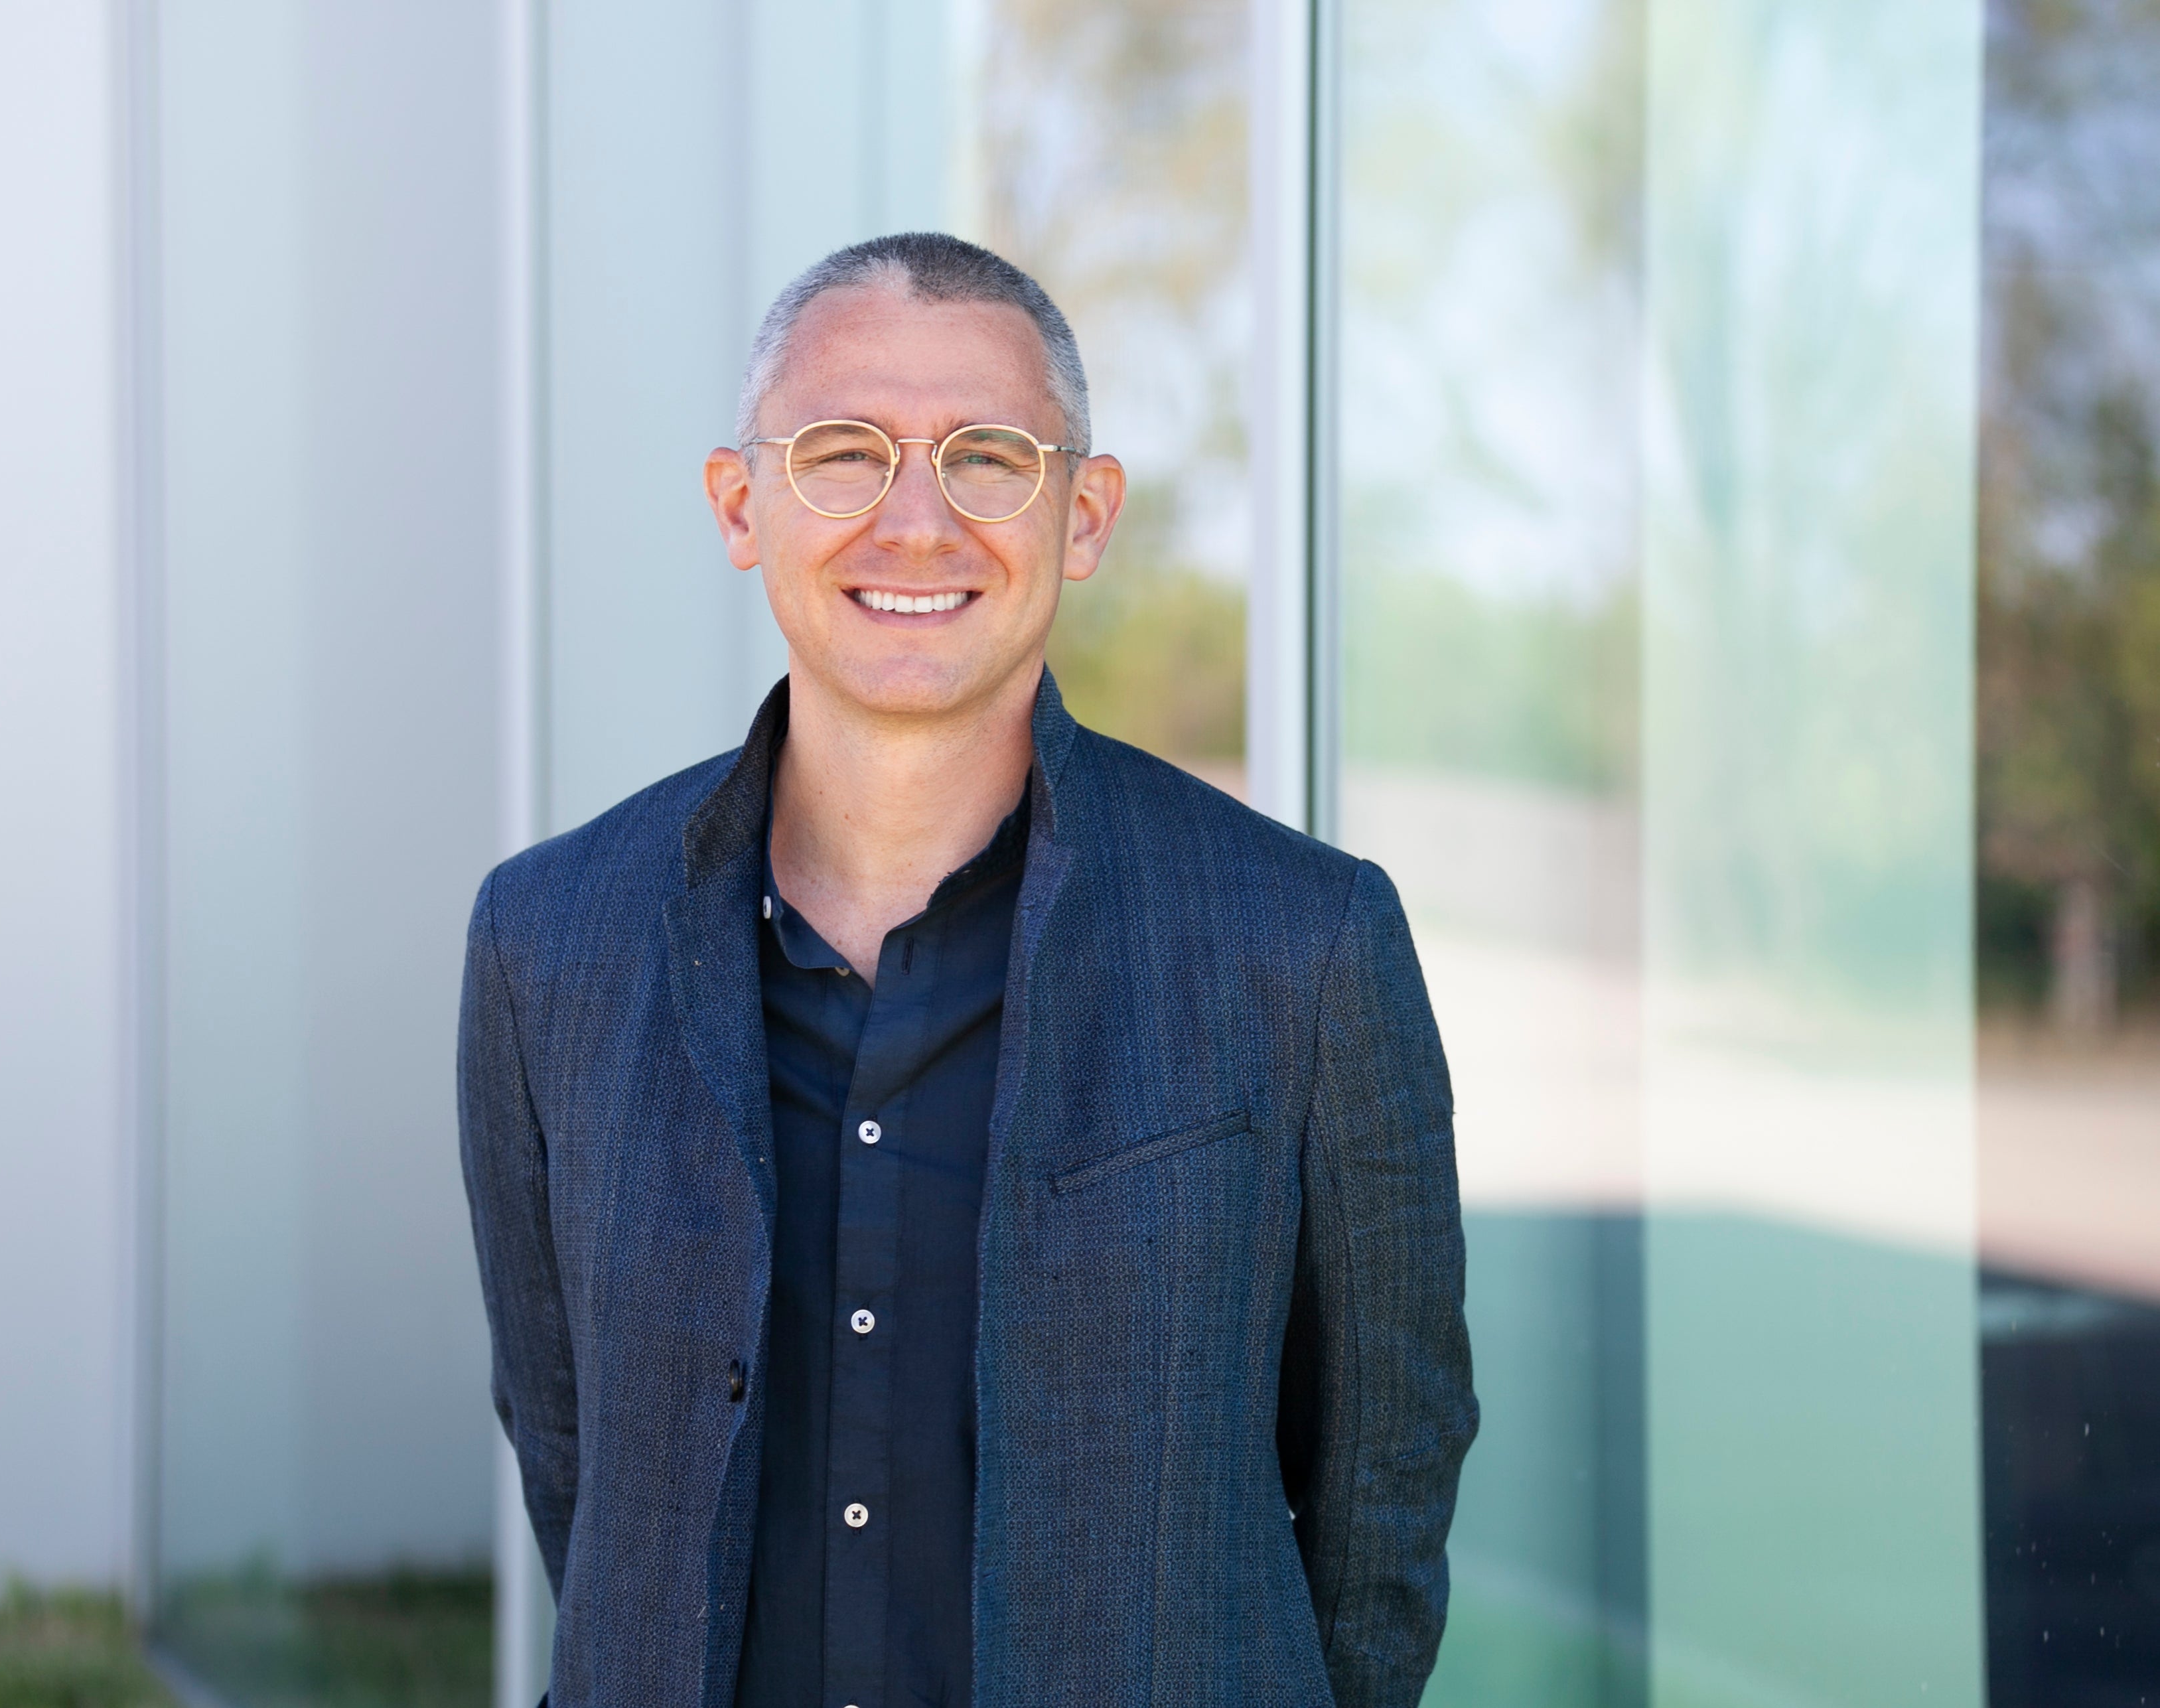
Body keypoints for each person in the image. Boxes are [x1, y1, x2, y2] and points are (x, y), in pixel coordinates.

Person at [460, 232, 1475, 1708]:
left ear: (1084, 514)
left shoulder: (1302, 943)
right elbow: (579, 1459)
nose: (917, 524)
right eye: (842, 455)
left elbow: (1385, 1483)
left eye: (987, 459)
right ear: (739, 504)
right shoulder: (546, 939)